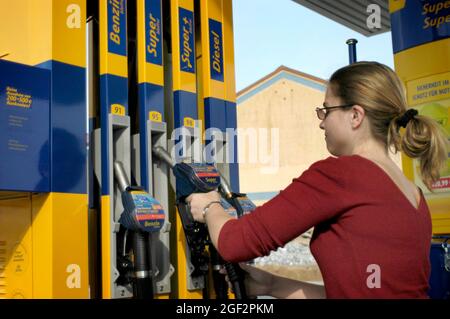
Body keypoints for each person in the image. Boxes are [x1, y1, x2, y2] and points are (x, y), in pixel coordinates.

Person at [186, 61, 449, 298]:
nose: (322, 123)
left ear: (356, 116)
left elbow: (236, 242)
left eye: (326, 110)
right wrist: (272, 285)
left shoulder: (342, 174)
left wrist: (210, 206)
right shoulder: (413, 194)